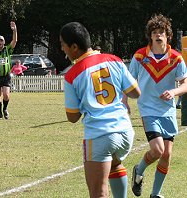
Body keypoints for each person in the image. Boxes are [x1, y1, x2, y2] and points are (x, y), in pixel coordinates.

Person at [60, 22, 141, 198]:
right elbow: (135, 92)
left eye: (63, 44)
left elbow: (72, 117)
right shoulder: (114, 59)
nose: (62, 48)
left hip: (99, 135)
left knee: (98, 192)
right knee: (115, 165)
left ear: (74, 47)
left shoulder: (72, 74)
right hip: (125, 131)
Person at [124, 14, 187, 198]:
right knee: (158, 150)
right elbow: (128, 81)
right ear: (150, 36)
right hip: (148, 109)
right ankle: (139, 169)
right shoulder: (140, 56)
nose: (158, 35)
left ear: (167, 36)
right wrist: (124, 101)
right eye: (155, 32)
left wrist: (174, 93)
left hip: (167, 111)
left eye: (162, 32)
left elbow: (185, 83)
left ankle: (155, 194)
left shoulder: (176, 58)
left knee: (166, 155)